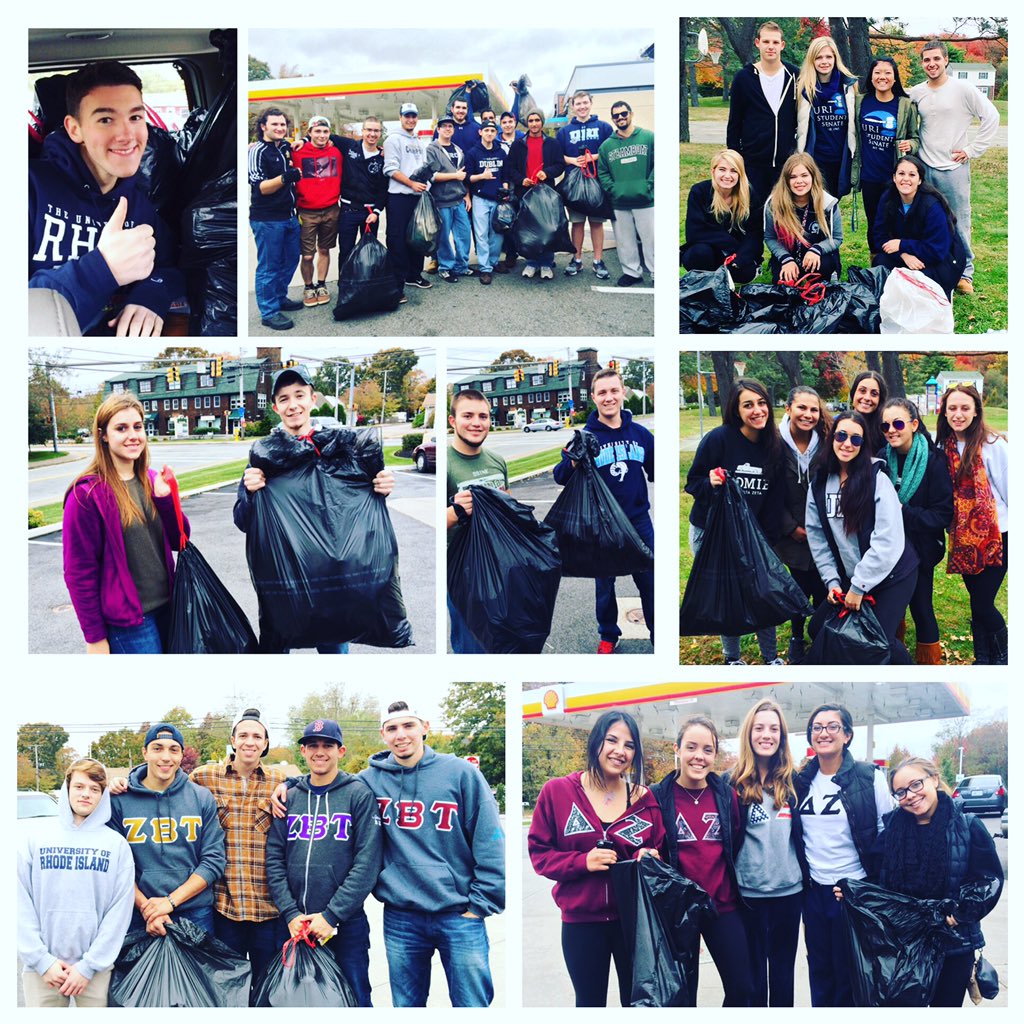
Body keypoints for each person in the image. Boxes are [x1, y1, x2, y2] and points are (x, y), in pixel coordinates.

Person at [232, 364, 395, 653]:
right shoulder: (265, 457)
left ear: (313, 399)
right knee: (279, 646)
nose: (293, 405)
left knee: (334, 653)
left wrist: (380, 484)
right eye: (284, 399)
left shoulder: (339, 448)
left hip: (333, 581)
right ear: (276, 407)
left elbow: (359, 496)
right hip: (286, 580)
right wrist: (249, 492)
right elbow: (242, 520)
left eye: (299, 395)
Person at [362, 701, 505, 1007]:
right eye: (392, 728)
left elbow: (490, 839)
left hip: (459, 913)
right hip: (402, 915)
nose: (401, 735)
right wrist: (289, 784)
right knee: (407, 1006)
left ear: (425, 727)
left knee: (472, 1005)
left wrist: (481, 904)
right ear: (383, 735)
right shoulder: (369, 780)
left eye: (408, 726)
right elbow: (328, 783)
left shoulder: (461, 773)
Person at [29, 60, 183, 337]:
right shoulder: (30, 187)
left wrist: (151, 294)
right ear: (74, 129)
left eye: (135, 117)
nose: (127, 135)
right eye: (105, 120)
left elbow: (168, 267)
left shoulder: (138, 204)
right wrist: (102, 269)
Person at [529, 711, 664, 1007]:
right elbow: (540, 854)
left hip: (633, 924)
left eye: (629, 745)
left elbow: (659, 851)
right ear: (595, 742)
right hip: (582, 923)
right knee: (589, 1003)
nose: (620, 751)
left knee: (639, 1003)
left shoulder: (644, 799)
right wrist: (582, 862)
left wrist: (647, 857)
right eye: (612, 740)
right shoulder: (558, 792)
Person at [855, 757, 1003, 1007]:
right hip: (905, 945)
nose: (910, 796)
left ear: (934, 779)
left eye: (915, 784)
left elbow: (988, 879)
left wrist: (961, 911)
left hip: (953, 943)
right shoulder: (891, 832)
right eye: (901, 792)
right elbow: (877, 879)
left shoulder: (967, 826)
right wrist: (857, 893)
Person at [265, 718, 382, 1007]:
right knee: (294, 1003)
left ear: (340, 751)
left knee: (354, 999)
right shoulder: (289, 797)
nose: (320, 751)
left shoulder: (358, 794)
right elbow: (274, 859)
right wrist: (290, 913)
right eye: (312, 745)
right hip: (293, 923)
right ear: (303, 752)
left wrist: (331, 916)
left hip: (344, 925)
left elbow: (367, 863)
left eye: (328, 745)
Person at [62, 393, 187, 654]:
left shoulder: (151, 479)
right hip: (131, 625)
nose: (133, 435)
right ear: (103, 436)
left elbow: (180, 540)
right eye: (121, 428)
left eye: (137, 427)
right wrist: (95, 639)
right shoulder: (86, 495)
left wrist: (165, 499)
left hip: (171, 608)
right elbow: (79, 573)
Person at [794, 703, 892, 1006]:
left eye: (832, 726)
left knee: (849, 973)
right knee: (820, 970)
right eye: (817, 727)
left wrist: (870, 887)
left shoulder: (869, 777)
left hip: (852, 892)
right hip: (813, 892)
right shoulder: (800, 781)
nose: (824, 733)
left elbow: (887, 834)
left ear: (847, 735)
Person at [651, 716, 752, 1007]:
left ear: (715, 754)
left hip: (722, 904)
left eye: (708, 750)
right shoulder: (658, 796)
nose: (699, 756)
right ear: (677, 749)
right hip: (679, 911)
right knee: (682, 996)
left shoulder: (727, 796)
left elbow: (735, 840)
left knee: (742, 988)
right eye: (691, 747)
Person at [552, 367, 654, 653]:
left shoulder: (640, 434)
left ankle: (659, 633)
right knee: (604, 585)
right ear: (594, 398)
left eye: (614, 391)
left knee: (651, 581)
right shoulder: (584, 436)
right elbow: (560, 476)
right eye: (602, 393)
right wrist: (574, 459)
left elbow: (657, 469)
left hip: (638, 521)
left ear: (622, 393)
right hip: (600, 525)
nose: (609, 397)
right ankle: (608, 634)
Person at [18, 758, 135, 1007]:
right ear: (67, 788)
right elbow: (17, 901)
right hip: (42, 969)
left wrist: (89, 965)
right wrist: (41, 960)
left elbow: (119, 911)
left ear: (103, 795)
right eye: (79, 787)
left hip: (95, 969)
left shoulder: (116, 845)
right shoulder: (35, 838)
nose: (86, 794)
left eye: (95, 789)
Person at [685, 377, 785, 665]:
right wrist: (710, 482)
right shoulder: (719, 439)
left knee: (763, 593)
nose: (757, 410)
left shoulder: (774, 446)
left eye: (762, 403)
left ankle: (771, 658)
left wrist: (768, 543)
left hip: (753, 535)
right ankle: (732, 659)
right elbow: (693, 482)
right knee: (728, 596)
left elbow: (775, 500)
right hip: (712, 532)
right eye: (748, 405)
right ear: (736, 410)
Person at [805, 411, 919, 663]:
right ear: (832, 438)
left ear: (863, 444)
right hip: (852, 575)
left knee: (876, 639)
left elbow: (887, 539)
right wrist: (832, 582)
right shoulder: (819, 484)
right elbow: (817, 537)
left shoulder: (877, 479)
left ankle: (910, 676)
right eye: (841, 436)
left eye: (856, 439)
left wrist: (858, 587)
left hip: (893, 573)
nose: (847, 444)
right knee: (817, 628)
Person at [189, 709, 290, 992]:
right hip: (224, 907)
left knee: (265, 989)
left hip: (267, 909)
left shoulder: (278, 781)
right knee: (227, 989)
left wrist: (290, 785)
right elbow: (166, 783)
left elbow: (311, 786)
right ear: (233, 740)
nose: (250, 741)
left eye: (257, 736)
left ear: (266, 743)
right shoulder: (204, 777)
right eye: (243, 735)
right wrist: (128, 780)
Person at [109, 723, 226, 936]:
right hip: (139, 913)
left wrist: (170, 902)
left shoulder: (201, 797)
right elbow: (115, 866)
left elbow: (213, 860)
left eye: (173, 749)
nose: (166, 757)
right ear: (145, 752)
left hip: (195, 912)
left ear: (181, 755)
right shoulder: (119, 800)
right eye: (157, 748)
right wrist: (148, 909)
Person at [728, 701, 807, 1007]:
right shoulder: (730, 784)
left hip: (789, 894)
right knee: (755, 981)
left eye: (774, 729)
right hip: (749, 896)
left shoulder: (795, 781)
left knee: (784, 978)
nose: (766, 735)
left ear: (782, 736)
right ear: (749, 734)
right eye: (759, 728)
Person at [910, 39, 999, 293]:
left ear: (946, 60)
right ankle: (931, 266)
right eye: (927, 60)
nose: (932, 64)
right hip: (924, 166)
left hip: (953, 169)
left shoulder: (963, 89)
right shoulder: (917, 92)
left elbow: (991, 116)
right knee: (927, 220)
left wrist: (971, 150)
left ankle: (965, 274)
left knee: (958, 221)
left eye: (936, 59)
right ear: (922, 63)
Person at [936, 383, 1008, 664]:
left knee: (983, 603)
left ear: (976, 411)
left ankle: (1004, 657)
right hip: (964, 540)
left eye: (965, 408)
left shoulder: (993, 445)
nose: (958, 414)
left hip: (998, 536)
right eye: (952, 408)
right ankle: (983, 658)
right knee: (977, 600)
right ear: (944, 412)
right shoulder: (943, 447)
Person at [880, 398, 953, 665]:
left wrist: (902, 511)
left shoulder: (934, 461)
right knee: (890, 608)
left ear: (913, 424)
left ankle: (929, 664)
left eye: (898, 424)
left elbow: (942, 514)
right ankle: (892, 656)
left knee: (921, 607)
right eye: (885, 425)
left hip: (920, 551)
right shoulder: (880, 458)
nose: (891, 430)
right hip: (887, 549)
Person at [446, 389, 508, 653]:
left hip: (499, 566)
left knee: (502, 639)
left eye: (483, 416)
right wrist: (455, 511)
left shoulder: (497, 461)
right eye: (467, 415)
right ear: (453, 420)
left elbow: (509, 511)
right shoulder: (447, 465)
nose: (476, 423)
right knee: (472, 646)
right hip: (462, 574)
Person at [774, 386, 830, 664]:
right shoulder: (774, 443)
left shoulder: (827, 441)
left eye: (813, 409)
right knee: (797, 589)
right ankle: (796, 636)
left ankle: (820, 636)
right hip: (791, 534)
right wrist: (790, 527)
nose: (808, 414)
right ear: (788, 409)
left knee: (823, 588)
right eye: (802, 408)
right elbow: (770, 492)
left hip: (823, 532)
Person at [851, 57, 919, 253]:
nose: (882, 77)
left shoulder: (905, 105)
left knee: (896, 222)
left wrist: (910, 144)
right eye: (877, 72)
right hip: (869, 176)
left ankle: (897, 260)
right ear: (871, 77)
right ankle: (876, 261)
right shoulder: (860, 102)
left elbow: (915, 138)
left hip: (895, 177)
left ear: (895, 78)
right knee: (874, 222)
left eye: (888, 73)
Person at [872, 155, 965, 297]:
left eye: (912, 175)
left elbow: (937, 251)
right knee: (880, 263)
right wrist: (903, 254)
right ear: (894, 177)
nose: (906, 179)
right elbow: (879, 237)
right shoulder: (888, 198)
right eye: (901, 174)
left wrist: (902, 244)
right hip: (909, 254)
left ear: (920, 180)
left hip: (940, 259)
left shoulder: (932, 205)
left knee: (917, 282)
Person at [726, 21, 798, 202]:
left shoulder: (795, 75)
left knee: (782, 211)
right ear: (757, 43)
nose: (770, 46)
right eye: (766, 41)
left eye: (775, 42)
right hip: (753, 162)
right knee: (754, 211)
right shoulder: (744, 78)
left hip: (786, 162)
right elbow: (734, 122)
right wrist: (735, 159)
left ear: (782, 45)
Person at [249, 107, 303, 330]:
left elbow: (298, 143)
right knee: (269, 267)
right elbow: (261, 187)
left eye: (282, 124)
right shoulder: (257, 151)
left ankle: (280, 297)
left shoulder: (284, 147)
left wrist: (303, 140)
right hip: (268, 220)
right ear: (263, 126)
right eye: (275, 124)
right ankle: (269, 312)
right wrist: (285, 177)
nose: (280, 128)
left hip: (289, 217)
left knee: (291, 260)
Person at [680, 148, 764, 284]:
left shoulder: (749, 195)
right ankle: (705, 282)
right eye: (722, 169)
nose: (727, 175)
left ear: (740, 174)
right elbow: (696, 232)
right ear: (713, 171)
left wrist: (742, 255)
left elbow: (755, 233)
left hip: (737, 253)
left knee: (744, 272)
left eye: (734, 171)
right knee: (699, 254)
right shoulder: (699, 191)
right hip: (709, 251)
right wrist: (733, 247)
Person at [597, 101, 654, 287]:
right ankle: (632, 272)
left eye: (623, 114)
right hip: (619, 202)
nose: (620, 118)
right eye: (616, 116)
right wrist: (613, 190)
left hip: (646, 200)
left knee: (652, 240)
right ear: (612, 119)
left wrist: (649, 185)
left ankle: (657, 273)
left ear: (631, 113)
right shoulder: (606, 146)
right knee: (624, 241)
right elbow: (603, 172)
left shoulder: (648, 137)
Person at [557, 91, 613, 279]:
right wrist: (573, 160)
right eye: (578, 104)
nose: (582, 107)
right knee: (577, 223)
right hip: (574, 186)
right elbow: (557, 156)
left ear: (590, 103)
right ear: (573, 106)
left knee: (596, 223)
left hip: (596, 183)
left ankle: (598, 260)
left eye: (585, 103)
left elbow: (610, 150)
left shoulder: (604, 127)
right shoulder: (564, 132)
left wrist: (592, 157)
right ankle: (577, 259)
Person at [763, 152, 842, 283]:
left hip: (818, 256)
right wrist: (785, 259)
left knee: (822, 276)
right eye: (793, 177)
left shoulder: (828, 203)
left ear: (813, 176)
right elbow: (770, 238)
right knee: (784, 287)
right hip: (787, 255)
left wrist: (817, 250)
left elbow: (837, 237)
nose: (799, 181)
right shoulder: (774, 204)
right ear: (786, 180)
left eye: (804, 175)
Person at [796, 36, 857, 198]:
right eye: (819, 57)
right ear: (812, 60)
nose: (824, 61)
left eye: (829, 57)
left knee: (833, 203)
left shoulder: (848, 86)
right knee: (815, 203)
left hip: (841, 159)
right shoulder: (803, 88)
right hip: (815, 159)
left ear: (835, 58)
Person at [507, 110, 565, 280]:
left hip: (546, 192)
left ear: (542, 122)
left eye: (537, 120)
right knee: (529, 229)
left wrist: (547, 173)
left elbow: (560, 164)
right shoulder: (518, 144)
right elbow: (510, 168)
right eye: (531, 120)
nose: (534, 123)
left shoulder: (552, 143)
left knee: (547, 229)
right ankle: (531, 263)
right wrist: (521, 180)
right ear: (527, 123)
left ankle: (546, 263)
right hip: (525, 192)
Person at [292, 115, 342, 308]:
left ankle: (321, 285)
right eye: (317, 131)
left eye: (325, 131)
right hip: (307, 212)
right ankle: (308, 286)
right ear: (310, 133)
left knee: (324, 249)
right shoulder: (297, 152)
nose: (321, 135)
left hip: (331, 210)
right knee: (307, 255)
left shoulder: (336, 152)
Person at [383, 102, 432, 293]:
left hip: (418, 197)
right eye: (407, 116)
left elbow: (424, 167)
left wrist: (427, 183)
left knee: (417, 237)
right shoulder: (393, 140)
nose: (410, 120)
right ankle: (398, 281)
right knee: (398, 240)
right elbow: (390, 169)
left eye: (413, 116)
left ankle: (414, 275)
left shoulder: (419, 142)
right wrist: (411, 184)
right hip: (399, 198)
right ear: (400, 117)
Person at [419, 115, 472, 283]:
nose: (448, 129)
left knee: (464, 235)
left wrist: (467, 195)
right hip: (441, 201)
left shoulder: (458, 150)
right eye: (444, 126)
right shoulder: (431, 149)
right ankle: (445, 267)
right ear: (438, 129)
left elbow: (462, 176)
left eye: (450, 126)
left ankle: (462, 266)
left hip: (459, 200)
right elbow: (432, 176)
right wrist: (455, 175)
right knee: (443, 237)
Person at [466, 121, 508, 285]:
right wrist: (482, 176)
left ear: (496, 133)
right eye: (486, 130)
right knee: (481, 234)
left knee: (497, 233)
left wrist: (505, 190)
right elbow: (468, 177)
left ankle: (494, 261)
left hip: (498, 198)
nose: (489, 133)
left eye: (492, 130)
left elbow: (505, 175)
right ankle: (485, 268)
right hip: (480, 198)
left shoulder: (501, 152)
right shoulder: (473, 153)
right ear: (480, 132)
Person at [848, 369, 888, 454]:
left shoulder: (885, 430)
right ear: (853, 393)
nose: (867, 398)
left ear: (880, 399)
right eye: (862, 391)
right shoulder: (836, 423)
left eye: (874, 394)